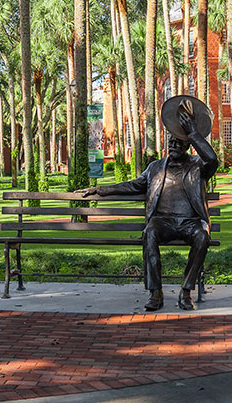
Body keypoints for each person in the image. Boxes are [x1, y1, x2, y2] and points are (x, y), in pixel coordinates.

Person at [78, 106, 218, 311]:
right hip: (163, 222)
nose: (172, 144)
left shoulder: (198, 166)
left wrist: (193, 132)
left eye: (178, 142)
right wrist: (100, 189)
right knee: (150, 232)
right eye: (170, 141)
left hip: (190, 222)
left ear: (188, 145)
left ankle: (186, 291)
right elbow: (131, 185)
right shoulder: (155, 168)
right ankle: (155, 292)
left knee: (202, 237)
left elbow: (212, 159)